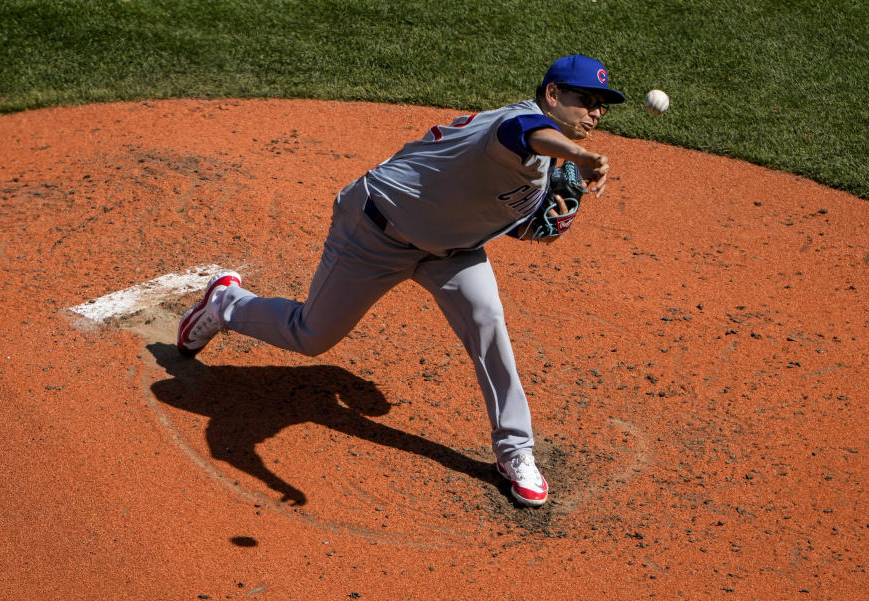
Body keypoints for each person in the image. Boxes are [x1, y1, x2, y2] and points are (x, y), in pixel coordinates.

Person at [177, 54, 625, 507]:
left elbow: (513, 217)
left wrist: (547, 217)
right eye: (585, 99)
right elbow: (529, 135)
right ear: (552, 94)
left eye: (602, 105)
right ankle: (224, 302)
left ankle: (516, 451)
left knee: (488, 321)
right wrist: (580, 154)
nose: (595, 111)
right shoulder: (514, 126)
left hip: (450, 250)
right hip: (375, 231)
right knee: (310, 335)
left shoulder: (548, 169)